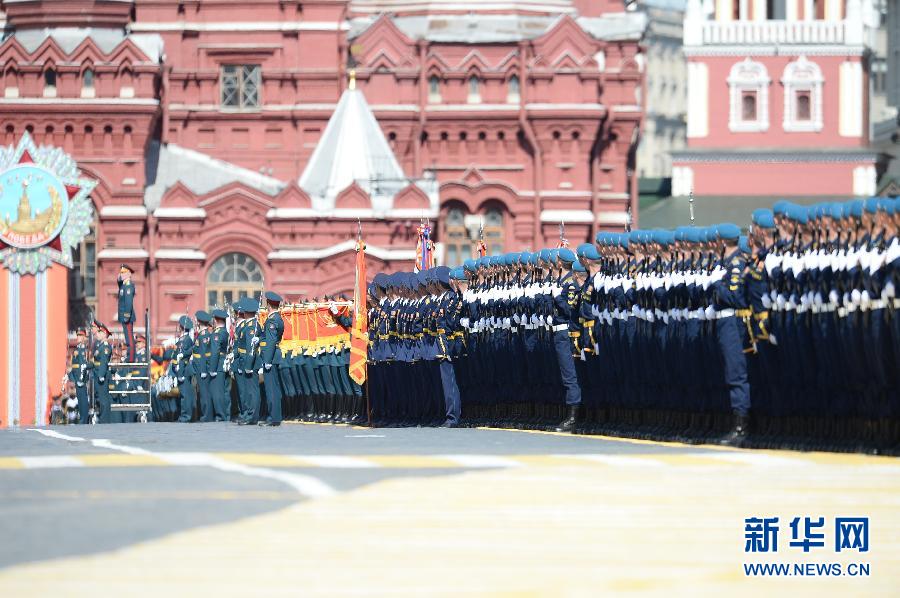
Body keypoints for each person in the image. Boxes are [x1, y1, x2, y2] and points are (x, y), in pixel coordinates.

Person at [259, 291, 285, 426]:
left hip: (271, 357)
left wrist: (267, 360)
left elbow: (271, 341)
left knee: (271, 389)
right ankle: (275, 417)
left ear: (268, 305)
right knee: (274, 388)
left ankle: (273, 418)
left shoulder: (273, 320)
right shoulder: (276, 318)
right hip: (273, 356)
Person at [209, 308, 231, 421]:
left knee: (217, 392)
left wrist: (212, 368)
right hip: (224, 363)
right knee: (225, 391)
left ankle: (220, 415)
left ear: (216, 320)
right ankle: (226, 414)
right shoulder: (225, 332)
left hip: (217, 364)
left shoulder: (217, 334)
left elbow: (215, 352)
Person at [175, 315, 196, 423]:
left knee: (186, 395)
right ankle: (183, 415)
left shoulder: (186, 340)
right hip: (181, 369)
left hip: (184, 370)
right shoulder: (182, 339)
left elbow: (184, 357)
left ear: (181, 327)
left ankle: (186, 416)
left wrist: (181, 373)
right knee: (183, 394)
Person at [194, 311, 214, 422]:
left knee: (205, 393)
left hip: (202, 368)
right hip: (200, 367)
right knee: (203, 392)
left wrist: (203, 370)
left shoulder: (204, 335)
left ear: (199, 322)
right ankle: (205, 414)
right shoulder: (202, 334)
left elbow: (203, 354)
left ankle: (207, 416)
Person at [91, 321, 112, 424]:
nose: (97, 334)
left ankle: (105, 419)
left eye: (99, 333)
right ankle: (103, 418)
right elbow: (96, 361)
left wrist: (101, 374)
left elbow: (104, 361)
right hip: (97, 372)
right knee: (100, 397)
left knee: (104, 399)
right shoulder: (101, 346)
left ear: (104, 334)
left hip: (101, 374)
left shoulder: (105, 347)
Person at [70, 328, 91, 424]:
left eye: (80, 335)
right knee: (80, 399)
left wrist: (81, 379)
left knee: (83, 400)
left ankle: (84, 419)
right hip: (77, 377)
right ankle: (83, 418)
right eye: (78, 335)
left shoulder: (82, 349)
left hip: (80, 378)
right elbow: (75, 365)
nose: (78, 337)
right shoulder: (78, 348)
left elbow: (83, 365)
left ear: (84, 337)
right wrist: (70, 375)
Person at [117, 264, 137, 363]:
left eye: (124, 272)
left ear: (129, 273)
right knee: (127, 337)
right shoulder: (123, 285)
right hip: (123, 316)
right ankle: (129, 356)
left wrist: (126, 315)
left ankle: (131, 358)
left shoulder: (128, 286)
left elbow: (128, 302)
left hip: (127, 316)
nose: (121, 274)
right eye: (121, 272)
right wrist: (119, 277)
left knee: (129, 338)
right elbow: (119, 282)